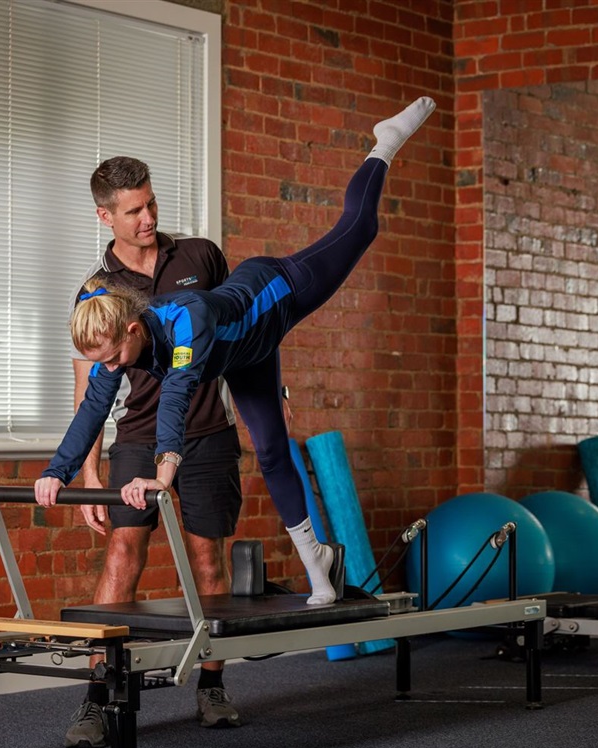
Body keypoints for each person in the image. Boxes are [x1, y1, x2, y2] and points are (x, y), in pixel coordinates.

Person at [37, 94, 436, 610]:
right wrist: (57, 470)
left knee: (360, 228)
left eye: (150, 204)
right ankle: (318, 563)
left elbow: (177, 396)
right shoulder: (116, 330)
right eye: (133, 209)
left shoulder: (186, 323)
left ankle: (386, 142)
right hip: (242, 357)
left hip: (274, 295)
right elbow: (94, 401)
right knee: (272, 451)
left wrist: (160, 476)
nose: (109, 367)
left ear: (133, 328)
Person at [62, 156, 245, 748]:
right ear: (104, 215)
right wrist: (88, 469)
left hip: (207, 431)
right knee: (122, 556)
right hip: (139, 438)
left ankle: (212, 684)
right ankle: (96, 695)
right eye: (133, 210)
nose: (148, 217)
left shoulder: (200, 256)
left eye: (150, 203)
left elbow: (238, 331)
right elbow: (87, 383)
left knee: (207, 561)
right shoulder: (96, 289)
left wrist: (273, 397)